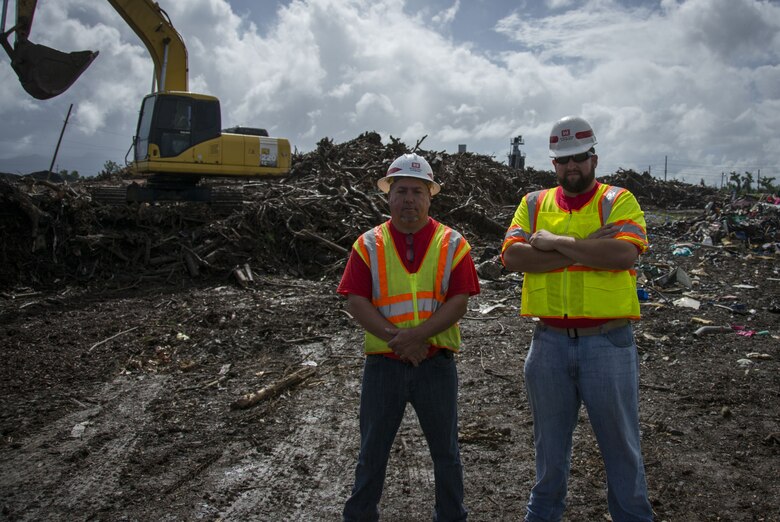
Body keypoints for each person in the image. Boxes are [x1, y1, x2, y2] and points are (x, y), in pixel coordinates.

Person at [501, 116, 654, 522]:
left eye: (580, 158)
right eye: (564, 160)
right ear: (554, 164)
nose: (573, 167)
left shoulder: (618, 200)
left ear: (594, 158)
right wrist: (585, 249)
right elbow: (513, 257)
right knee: (548, 447)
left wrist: (552, 244)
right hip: (547, 341)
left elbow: (623, 255)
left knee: (621, 445)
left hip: (608, 342)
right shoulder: (534, 203)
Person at [339, 152, 480, 522]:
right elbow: (356, 299)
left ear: (430, 195)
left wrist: (418, 337)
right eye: (401, 190)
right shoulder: (368, 244)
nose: (408, 199)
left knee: (446, 453)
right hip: (383, 366)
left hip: (436, 365)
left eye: (417, 191)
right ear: (388, 196)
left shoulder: (453, 243)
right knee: (372, 452)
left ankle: (451, 516)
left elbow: (459, 300)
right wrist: (398, 339)